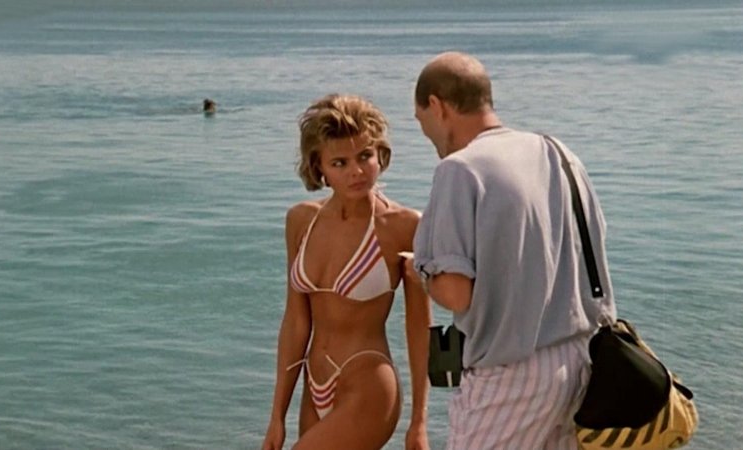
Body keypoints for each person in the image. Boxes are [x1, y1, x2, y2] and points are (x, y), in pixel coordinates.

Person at [410, 52, 617, 449]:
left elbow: (455, 292)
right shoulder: (559, 153)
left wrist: (420, 272)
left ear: (437, 106)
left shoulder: (459, 169)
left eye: (421, 121)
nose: (427, 136)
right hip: (586, 365)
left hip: (510, 376)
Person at [261, 94, 431, 450]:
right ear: (319, 167)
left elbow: (418, 327)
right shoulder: (301, 221)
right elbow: (296, 322)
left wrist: (419, 421)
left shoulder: (402, 226)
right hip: (314, 385)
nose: (357, 171)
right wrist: (277, 415)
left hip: (368, 383)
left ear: (380, 155)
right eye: (340, 162)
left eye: (365, 156)